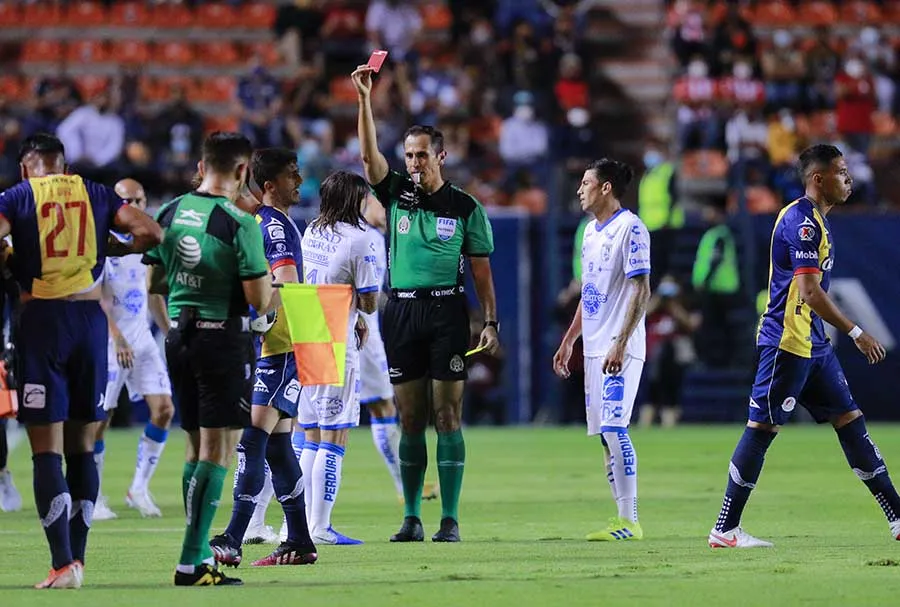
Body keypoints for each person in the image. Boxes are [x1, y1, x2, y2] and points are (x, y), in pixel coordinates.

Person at [708, 145, 898, 549]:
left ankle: (897, 517)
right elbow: (809, 291)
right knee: (762, 429)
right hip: (786, 342)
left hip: (814, 344)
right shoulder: (801, 222)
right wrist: (856, 332)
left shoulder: (818, 220)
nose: (848, 179)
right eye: (841, 172)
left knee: (851, 421)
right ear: (818, 179)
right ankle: (725, 528)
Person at [0, 133, 162, 588]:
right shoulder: (93, 192)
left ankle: (61, 564)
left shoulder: (18, 196)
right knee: (82, 446)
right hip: (90, 322)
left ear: (26, 167)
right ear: (64, 165)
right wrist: (116, 248)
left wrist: (10, 259)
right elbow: (150, 232)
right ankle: (79, 561)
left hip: (42, 321)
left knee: (46, 448)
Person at [353, 64, 500, 543]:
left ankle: (450, 519)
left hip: (446, 312)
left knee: (447, 416)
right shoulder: (394, 192)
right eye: (409, 155)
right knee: (411, 418)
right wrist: (364, 99)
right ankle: (412, 517)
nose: (414, 163)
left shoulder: (465, 207)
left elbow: (481, 271)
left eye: (422, 155)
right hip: (401, 311)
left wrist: (491, 321)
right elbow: (367, 156)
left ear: (441, 155)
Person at [143, 132, 273, 586]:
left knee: (195, 446)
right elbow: (259, 300)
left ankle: (197, 553)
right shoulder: (239, 223)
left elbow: (154, 284)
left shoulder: (169, 212)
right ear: (242, 171)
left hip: (179, 336)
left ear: (201, 167)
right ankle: (190, 562)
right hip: (221, 339)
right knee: (218, 450)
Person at [209, 147, 317, 567]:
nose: (300, 181)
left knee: (252, 438)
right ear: (271, 185)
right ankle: (300, 541)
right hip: (283, 344)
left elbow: (284, 283)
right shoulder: (273, 222)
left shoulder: (269, 224)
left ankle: (233, 537)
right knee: (277, 447)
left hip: (279, 346)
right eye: (292, 174)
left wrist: (256, 315)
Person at [552, 158, 652, 542]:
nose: (579, 190)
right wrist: (570, 339)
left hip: (618, 347)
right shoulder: (590, 233)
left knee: (614, 427)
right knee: (604, 438)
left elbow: (641, 289)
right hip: (594, 348)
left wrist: (621, 342)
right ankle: (620, 518)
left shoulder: (631, 228)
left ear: (606, 187)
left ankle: (630, 521)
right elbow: (589, 293)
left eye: (586, 183)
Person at [296, 170, 380, 545]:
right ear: (354, 200)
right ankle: (320, 526)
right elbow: (370, 302)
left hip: (306, 333)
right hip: (335, 339)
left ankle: (298, 524)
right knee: (334, 436)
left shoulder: (312, 229)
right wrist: (360, 309)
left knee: (309, 434)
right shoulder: (361, 239)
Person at [93, 178, 174, 521]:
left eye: (140, 199)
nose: (136, 206)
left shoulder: (147, 244)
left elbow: (153, 294)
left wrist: (170, 333)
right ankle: (93, 496)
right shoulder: (104, 243)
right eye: (128, 200)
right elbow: (96, 297)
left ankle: (138, 488)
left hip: (142, 339)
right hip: (111, 342)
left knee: (164, 410)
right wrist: (117, 337)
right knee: (101, 419)